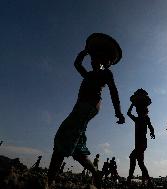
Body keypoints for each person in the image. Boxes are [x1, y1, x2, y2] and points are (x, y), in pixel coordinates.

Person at [47, 33, 125, 189]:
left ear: (105, 61)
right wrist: (83, 52)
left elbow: (113, 92)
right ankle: (95, 173)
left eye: (97, 58)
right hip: (81, 107)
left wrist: (118, 112)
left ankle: (49, 182)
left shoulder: (105, 73)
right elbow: (77, 64)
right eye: (92, 58)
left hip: (88, 107)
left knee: (63, 135)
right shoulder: (88, 74)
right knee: (77, 147)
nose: (93, 60)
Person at [127, 89, 155, 186]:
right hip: (139, 143)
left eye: (138, 109)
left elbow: (151, 127)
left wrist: (152, 132)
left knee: (132, 158)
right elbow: (128, 113)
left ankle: (129, 180)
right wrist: (133, 103)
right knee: (140, 163)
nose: (137, 110)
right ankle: (149, 182)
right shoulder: (138, 119)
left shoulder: (144, 118)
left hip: (142, 143)